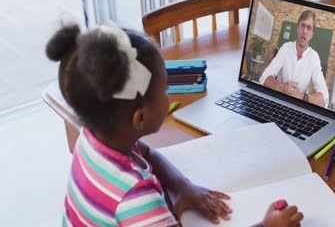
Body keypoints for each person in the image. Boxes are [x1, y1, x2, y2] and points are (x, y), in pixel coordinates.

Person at [46, 24, 303, 226]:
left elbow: (146, 153)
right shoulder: (137, 199)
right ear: (140, 118)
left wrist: (182, 187)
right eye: (165, 90)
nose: (169, 97)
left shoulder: (93, 138)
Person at [259, 10, 329, 107]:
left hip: (301, 106)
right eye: (302, 25)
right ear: (297, 28)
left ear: (312, 34)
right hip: (281, 101)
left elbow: (325, 98)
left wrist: (300, 97)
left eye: (309, 28)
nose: (304, 31)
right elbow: (264, 77)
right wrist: (282, 88)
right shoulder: (286, 47)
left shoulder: (314, 57)